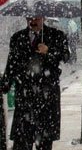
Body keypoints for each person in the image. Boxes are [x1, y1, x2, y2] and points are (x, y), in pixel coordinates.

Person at [0, 16, 70, 150]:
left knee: (44, 140)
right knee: (22, 139)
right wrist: (5, 85)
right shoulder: (17, 37)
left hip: (47, 96)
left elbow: (66, 56)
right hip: (25, 95)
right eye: (30, 18)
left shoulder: (56, 35)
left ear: (43, 19)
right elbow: (12, 64)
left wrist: (48, 51)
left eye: (36, 18)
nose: (33, 22)